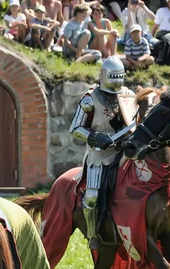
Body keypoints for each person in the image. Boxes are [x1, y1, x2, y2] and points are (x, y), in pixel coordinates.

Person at [68, 56, 134, 249]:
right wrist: (96, 137)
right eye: (112, 76)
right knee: (92, 197)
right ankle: (93, 233)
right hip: (99, 155)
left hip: (124, 151)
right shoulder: (91, 98)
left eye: (118, 76)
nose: (115, 80)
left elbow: (133, 122)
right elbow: (75, 128)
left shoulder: (127, 96)